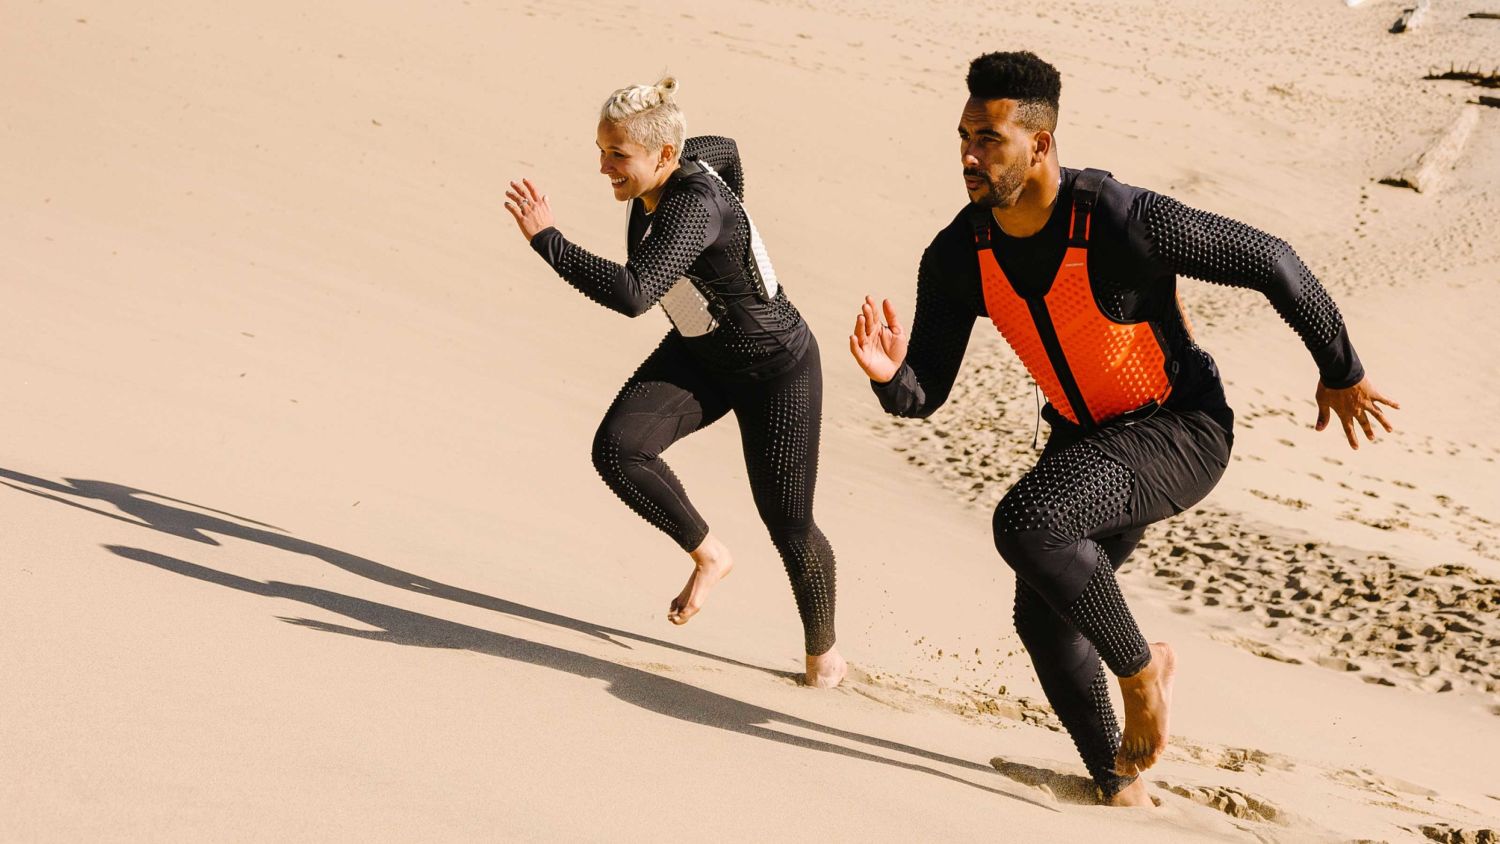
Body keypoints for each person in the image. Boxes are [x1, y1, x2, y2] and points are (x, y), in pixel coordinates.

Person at [849, 51, 1398, 805]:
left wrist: (1341, 369)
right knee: (1041, 617)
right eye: (964, 136)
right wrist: (888, 376)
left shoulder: (1117, 219)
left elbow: (1271, 259)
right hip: (1087, 438)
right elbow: (923, 395)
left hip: (1181, 426)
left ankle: (1143, 672)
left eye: (990, 139)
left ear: (1041, 144)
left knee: (1027, 522)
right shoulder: (959, 254)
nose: (970, 156)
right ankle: (1120, 786)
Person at [505, 77, 847, 687]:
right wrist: (729, 241)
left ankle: (824, 657)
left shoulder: (694, 203)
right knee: (619, 450)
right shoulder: (694, 155)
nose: (604, 167)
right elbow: (730, 147)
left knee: (789, 524)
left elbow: (636, 294)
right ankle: (709, 553)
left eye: (618, 156)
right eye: (602, 149)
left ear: (663, 156)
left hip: (777, 367)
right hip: (700, 351)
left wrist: (548, 242)